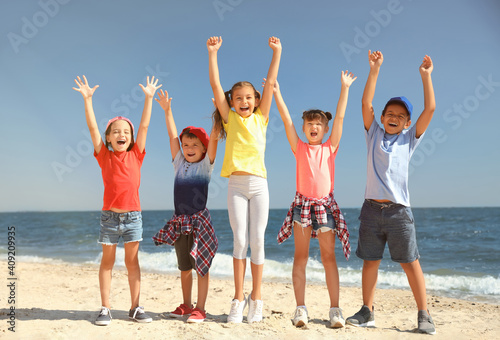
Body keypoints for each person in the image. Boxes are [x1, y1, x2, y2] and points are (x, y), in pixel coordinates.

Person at [345, 50, 436, 335]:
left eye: (401, 116)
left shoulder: (409, 140)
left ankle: (423, 314)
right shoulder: (373, 134)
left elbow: (430, 109)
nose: (394, 117)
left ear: (407, 123)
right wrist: (374, 70)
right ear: (382, 118)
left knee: (410, 263)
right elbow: (365, 102)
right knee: (370, 262)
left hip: (398, 212)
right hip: (371, 210)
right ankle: (367, 310)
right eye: (390, 114)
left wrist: (426, 77)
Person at [73, 75, 161, 326]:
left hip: (133, 216)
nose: (121, 134)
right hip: (109, 217)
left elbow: (143, 126)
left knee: (132, 263)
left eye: (126, 132)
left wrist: (149, 98)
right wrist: (88, 100)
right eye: (116, 132)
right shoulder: (104, 156)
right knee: (107, 263)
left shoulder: (137, 154)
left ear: (131, 138)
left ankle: (135, 307)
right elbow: (92, 128)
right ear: (109, 138)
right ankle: (105, 308)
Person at [206, 35, 281, 323]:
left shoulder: (261, 117)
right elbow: (215, 85)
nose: (244, 101)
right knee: (239, 241)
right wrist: (213, 54)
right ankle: (238, 298)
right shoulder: (229, 119)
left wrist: (276, 53)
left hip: (259, 185)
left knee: (258, 242)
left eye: (249, 97)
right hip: (236, 186)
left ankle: (257, 297)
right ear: (231, 103)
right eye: (238, 98)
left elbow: (270, 81)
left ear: (257, 100)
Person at [273, 70, 355, 328]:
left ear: (325, 128)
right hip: (302, 207)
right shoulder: (299, 147)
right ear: (304, 128)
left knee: (328, 258)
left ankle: (335, 310)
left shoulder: (331, 147)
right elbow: (286, 121)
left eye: (318, 124)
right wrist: (276, 93)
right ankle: (300, 309)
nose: (313, 127)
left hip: (324, 208)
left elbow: (340, 116)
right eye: (309, 124)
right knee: (301, 257)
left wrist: (345, 88)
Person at [152, 89, 218, 324]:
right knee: (184, 266)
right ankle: (187, 304)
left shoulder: (205, 165)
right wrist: (168, 111)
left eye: (195, 145)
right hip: (180, 221)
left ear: (203, 148)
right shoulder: (179, 163)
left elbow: (215, 139)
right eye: (186, 144)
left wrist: (217, 116)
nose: (189, 148)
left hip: (199, 221)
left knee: (201, 266)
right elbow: (172, 137)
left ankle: (201, 308)